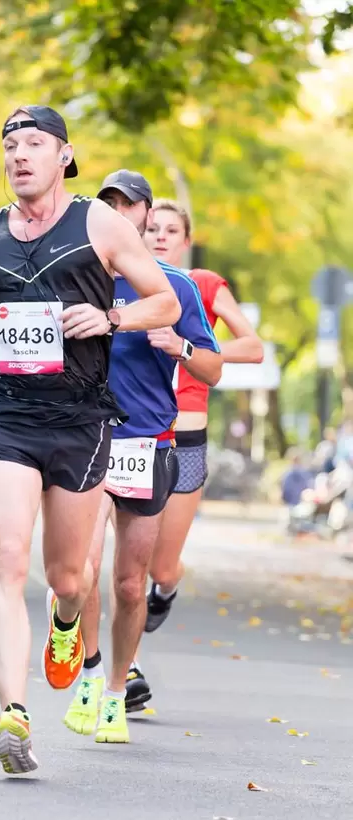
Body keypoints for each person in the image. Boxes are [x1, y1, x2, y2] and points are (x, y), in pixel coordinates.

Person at [0, 106, 181, 774]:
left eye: (34, 143)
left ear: (64, 156)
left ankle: (67, 623)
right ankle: (13, 712)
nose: (19, 154)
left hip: (81, 417)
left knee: (67, 574)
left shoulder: (101, 224)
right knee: (6, 555)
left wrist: (111, 315)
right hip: (5, 413)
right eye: (10, 144)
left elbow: (165, 303)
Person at [63, 170, 221, 742]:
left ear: (147, 216)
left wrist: (181, 347)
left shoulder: (174, 287)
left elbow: (212, 367)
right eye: (110, 204)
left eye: (131, 206)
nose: (121, 213)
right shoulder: (77, 274)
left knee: (131, 584)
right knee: (78, 569)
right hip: (85, 436)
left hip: (147, 441)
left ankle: (113, 695)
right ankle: (89, 668)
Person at [142, 199, 263, 634]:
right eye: (152, 228)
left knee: (162, 567)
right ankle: (127, 669)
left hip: (187, 438)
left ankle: (167, 589)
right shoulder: (123, 284)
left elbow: (253, 347)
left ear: (186, 241)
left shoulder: (203, 285)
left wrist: (191, 349)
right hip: (138, 433)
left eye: (171, 231)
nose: (160, 237)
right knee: (130, 565)